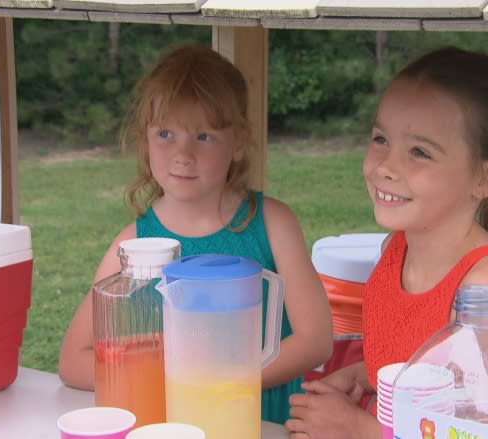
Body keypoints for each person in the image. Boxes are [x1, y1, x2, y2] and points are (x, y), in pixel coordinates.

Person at [286, 46, 488, 438]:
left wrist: (359, 429)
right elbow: (421, 366)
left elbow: (487, 432)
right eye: (381, 139)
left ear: (487, 178)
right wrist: (363, 377)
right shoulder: (394, 251)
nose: (386, 166)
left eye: (419, 151)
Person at [58, 44, 333, 424]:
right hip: (171, 424)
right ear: (145, 139)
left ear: (238, 142)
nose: (182, 154)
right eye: (166, 133)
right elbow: (74, 360)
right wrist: (170, 385)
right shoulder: (131, 248)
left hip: (262, 420)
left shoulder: (272, 224)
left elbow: (316, 340)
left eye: (203, 136)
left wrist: (223, 387)